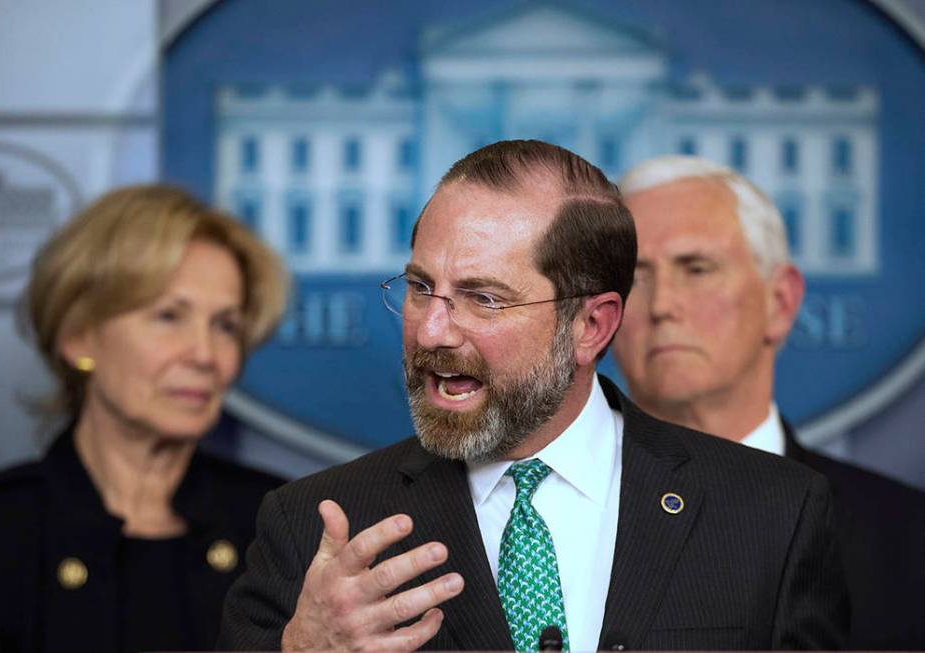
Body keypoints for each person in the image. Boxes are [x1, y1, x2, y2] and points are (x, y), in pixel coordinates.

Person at [219, 140, 847, 651]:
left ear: (591, 325)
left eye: (484, 298)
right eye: (419, 287)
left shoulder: (772, 514)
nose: (432, 331)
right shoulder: (315, 530)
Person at [0, 184, 290, 653]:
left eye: (225, 325)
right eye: (169, 316)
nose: (206, 355)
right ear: (79, 337)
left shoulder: (278, 526)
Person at [614, 155, 925, 650]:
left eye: (696, 268)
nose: (662, 304)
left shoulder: (907, 538)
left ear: (780, 303)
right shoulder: (549, 522)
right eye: (634, 277)